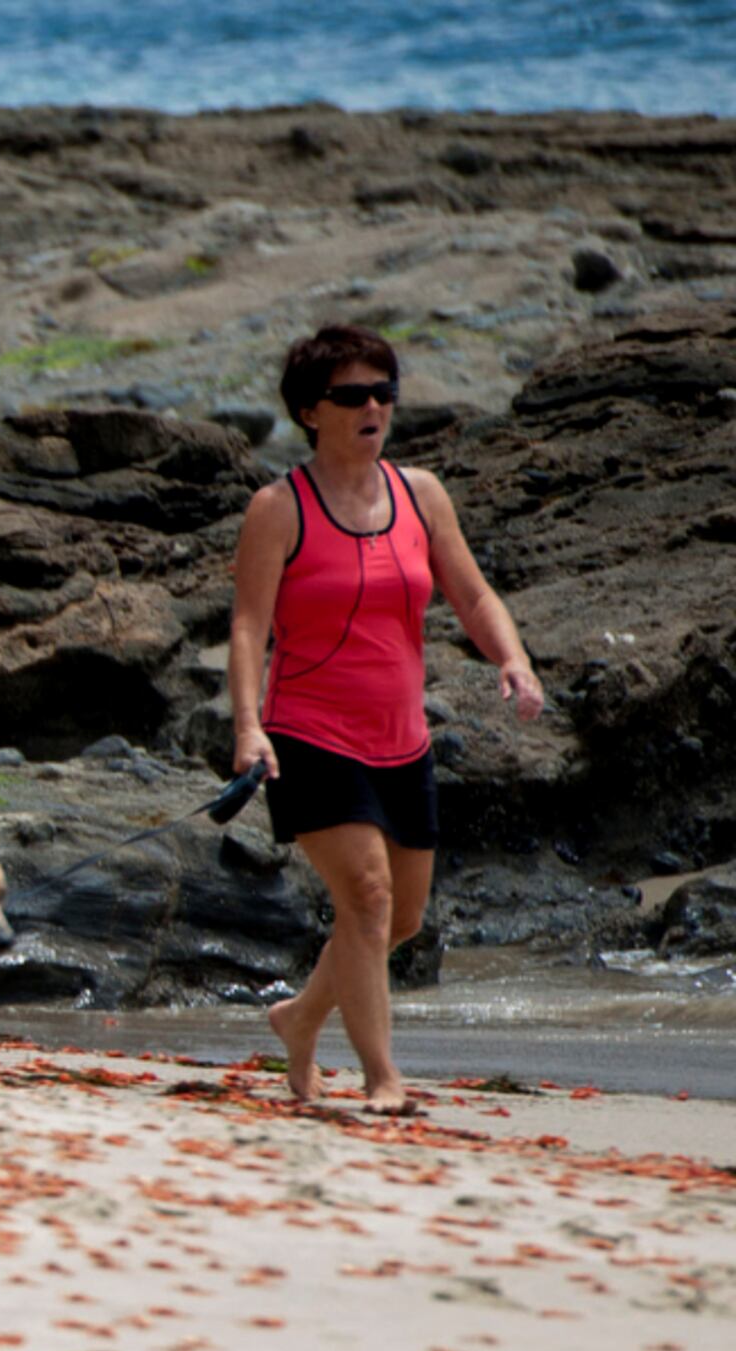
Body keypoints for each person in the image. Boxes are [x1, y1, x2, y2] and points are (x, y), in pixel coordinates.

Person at [228, 321, 544, 1111]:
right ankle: (382, 1077)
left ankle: (300, 1019)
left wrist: (512, 658)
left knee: (399, 918)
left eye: (384, 392)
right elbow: (246, 626)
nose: (374, 406)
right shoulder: (278, 508)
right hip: (309, 734)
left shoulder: (421, 494)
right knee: (365, 899)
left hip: (403, 741)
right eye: (352, 395)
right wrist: (247, 726)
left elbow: (471, 594)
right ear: (310, 411)